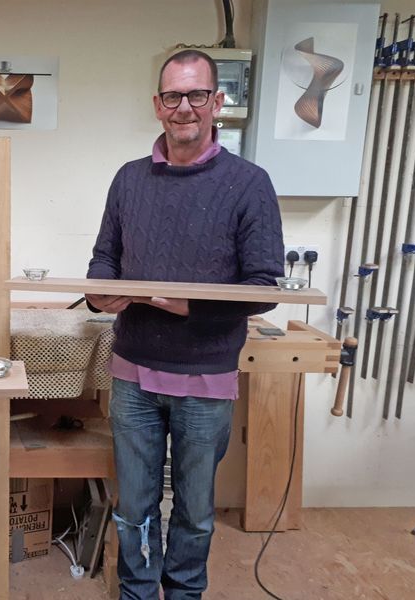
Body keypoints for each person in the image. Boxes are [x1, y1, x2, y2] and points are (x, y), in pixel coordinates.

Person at [86, 50, 285, 599]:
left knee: (195, 513)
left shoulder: (248, 183)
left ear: (217, 102)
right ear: (157, 105)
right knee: (135, 507)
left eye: (197, 95)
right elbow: (105, 256)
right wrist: (99, 292)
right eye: (172, 96)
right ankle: (136, 592)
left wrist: (189, 307)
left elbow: (264, 286)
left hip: (205, 379)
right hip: (133, 376)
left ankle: (184, 593)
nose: (184, 108)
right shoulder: (129, 179)